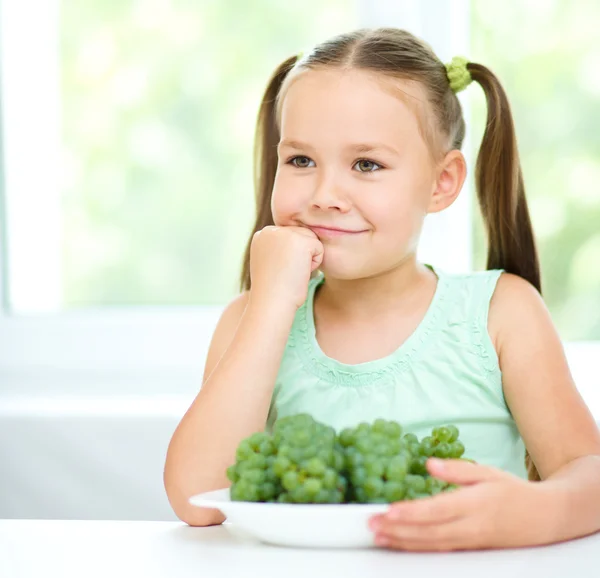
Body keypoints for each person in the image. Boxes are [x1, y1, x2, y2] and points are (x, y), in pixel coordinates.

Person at [163, 27, 600, 551]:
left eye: (366, 165)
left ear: (442, 182)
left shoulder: (500, 314)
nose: (325, 195)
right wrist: (271, 303)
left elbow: (587, 473)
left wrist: (536, 512)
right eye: (301, 161)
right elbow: (197, 500)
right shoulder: (251, 321)